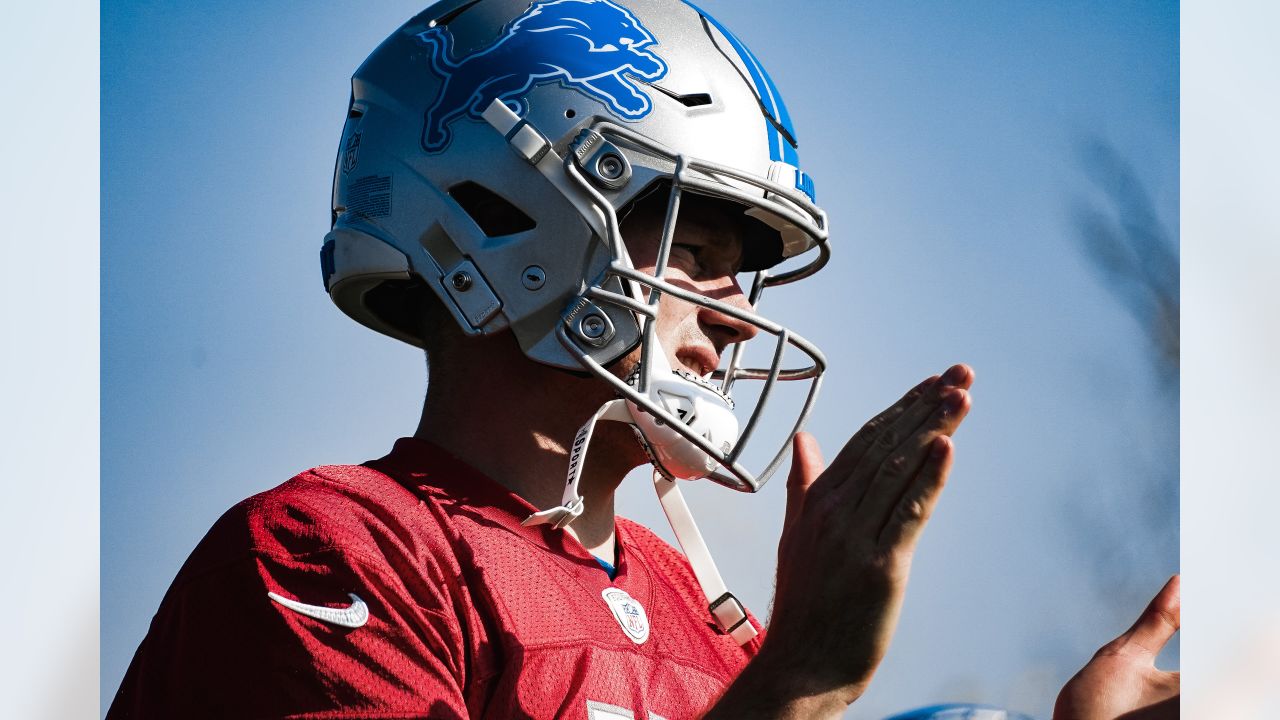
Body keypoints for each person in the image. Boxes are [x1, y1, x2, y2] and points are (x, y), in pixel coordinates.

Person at [109, 1, 1179, 718]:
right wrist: (798, 679)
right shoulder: (331, 553)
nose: (739, 322)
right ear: (501, 218)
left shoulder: (706, 620)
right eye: (697, 256)